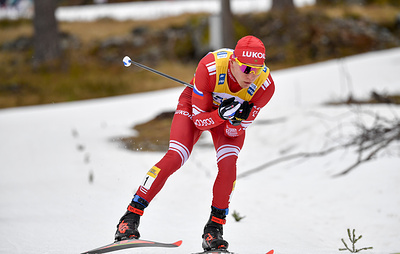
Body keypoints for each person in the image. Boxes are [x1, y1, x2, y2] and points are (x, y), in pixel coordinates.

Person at [115, 35, 275, 251]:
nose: (251, 75)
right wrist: (220, 113)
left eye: (257, 69)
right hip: (196, 106)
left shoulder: (264, 86)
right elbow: (200, 121)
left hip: (224, 117)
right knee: (176, 156)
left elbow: (232, 131)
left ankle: (214, 230)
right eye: (246, 69)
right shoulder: (210, 67)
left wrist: (235, 119)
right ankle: (130, 218)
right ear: (234, 62)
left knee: (228, 167)